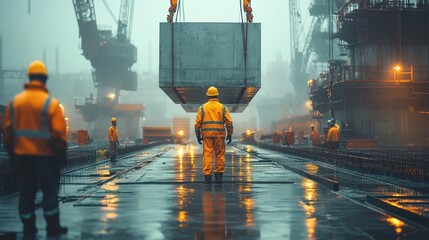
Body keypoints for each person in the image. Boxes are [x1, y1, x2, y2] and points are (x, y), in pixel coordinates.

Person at [3, 60, 68, 239]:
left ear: (29, 78)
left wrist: (12, 155)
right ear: (45, 79)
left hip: (22, 157)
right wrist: (61, 156)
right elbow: (59, 135)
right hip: (46, 157)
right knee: (49, 191)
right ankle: (53, 227)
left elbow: (7, 133)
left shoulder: (15, 103)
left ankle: (28, 228)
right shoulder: (51, 104)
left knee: (26, 192)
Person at [194, 86, 233, 184]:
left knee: (207, 155)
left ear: (208, 96)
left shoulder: (202, 108)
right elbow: (229, 122)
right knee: (220, 155)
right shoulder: (223, 108)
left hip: (206, 135)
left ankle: (208, 178)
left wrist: (198, 135)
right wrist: (230, 134)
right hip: (219, 135)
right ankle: (219, 177)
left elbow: (197, 124)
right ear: (217, 95)